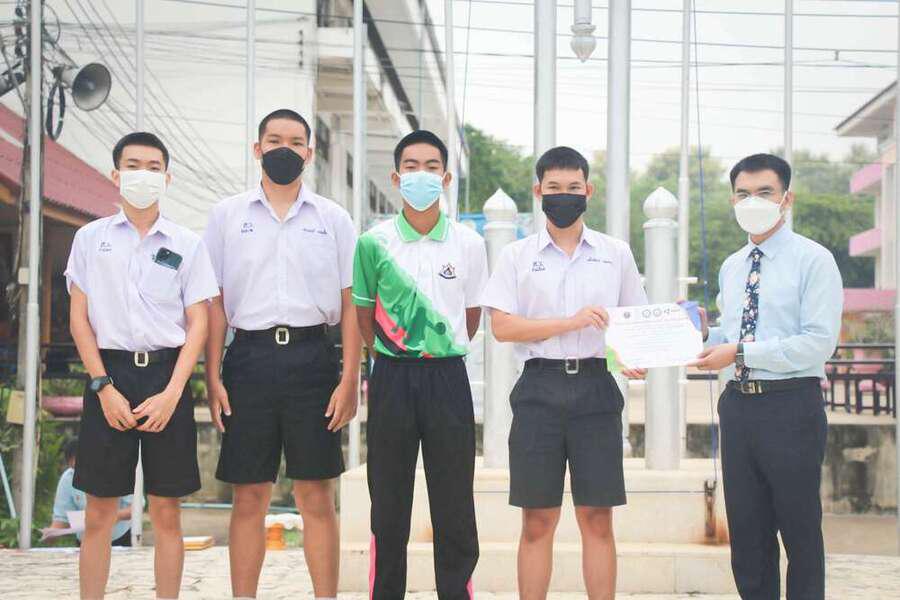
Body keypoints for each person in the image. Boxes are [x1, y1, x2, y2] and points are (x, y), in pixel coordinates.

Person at [204, 108, 362, 600]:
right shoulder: (227, 216)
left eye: (295, 142)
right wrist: (212, 376)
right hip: (248, 361)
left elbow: (351, 303)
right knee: (249, 494)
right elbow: (214, 304)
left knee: (316, 493)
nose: (284, 149)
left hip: (313, 361)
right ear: (257, 148)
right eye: (274, 140)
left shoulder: (332, 219)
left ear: (309, 153)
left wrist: (349, 378)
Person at [480, 146, 648, 600]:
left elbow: (632, 322)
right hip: (538, 389)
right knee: (538, 519)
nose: (564, 195)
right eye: (554, 187)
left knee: (598, 517)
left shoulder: (615, 253)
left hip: (596, 389)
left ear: (588, 190)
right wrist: (569, 322)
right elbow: (502, 327)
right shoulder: (516, 255)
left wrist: (637, 355)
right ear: (538, 191)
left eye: (573, 187)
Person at [65, 131, 220, 600]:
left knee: (166, 510)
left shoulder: (187, 244)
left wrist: (173, 392)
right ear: (116, 174)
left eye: (154, 168)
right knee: (99, 511)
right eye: (133, 166)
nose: (143, 175)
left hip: (166, 375)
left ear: (166, 178)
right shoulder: (90, 239)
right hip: (108, 375)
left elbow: (199, 322)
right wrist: (102, 386)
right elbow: (78, 319)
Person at [694, 154, 842, 600]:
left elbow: (817, 342)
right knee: (748, 534)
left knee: (799, 530)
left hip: (790, 405)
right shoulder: (733, 265)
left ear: (786, 198)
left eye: (764, 192)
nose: (752, 201)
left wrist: (739, 351)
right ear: (732, 200)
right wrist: (698, 333)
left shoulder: (814, 261)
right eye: (743, 194)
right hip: (739, 406)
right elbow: (733, 333)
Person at [353, 130, 487, 600]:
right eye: (411, 166)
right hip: (392, 377)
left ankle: (456, 592)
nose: (421, 175)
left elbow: (470, 317)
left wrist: (437, 346)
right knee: (389, 501)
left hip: (448, 379)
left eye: (432, 167)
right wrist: (395, 352)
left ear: (446, 178)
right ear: (396, 177)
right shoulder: (373, 242)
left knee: (454, 500)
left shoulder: (469, 243)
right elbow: (364, 315)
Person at [48, 438, 134, 547]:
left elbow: (135, 509)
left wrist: (115, 516)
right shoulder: (68, 478)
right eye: (75, 469)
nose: (80, 473)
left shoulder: (118, 472)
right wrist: (51, 534)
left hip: (118, 540)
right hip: (85, 541)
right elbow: (61, 519)